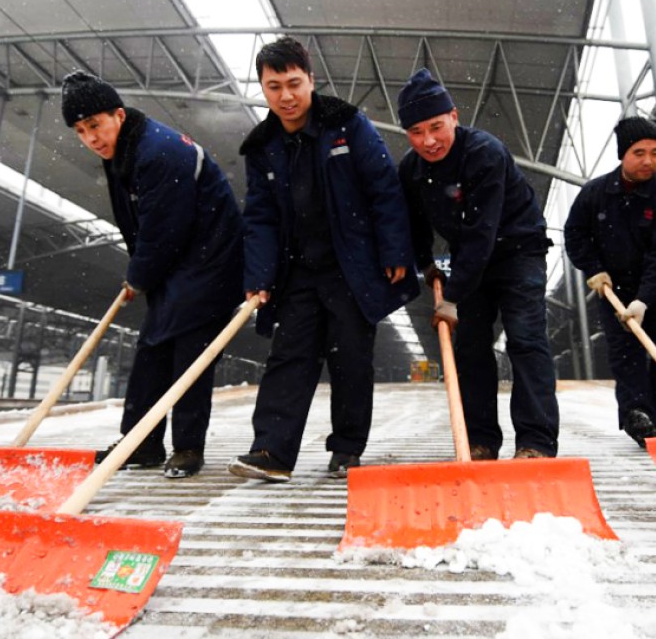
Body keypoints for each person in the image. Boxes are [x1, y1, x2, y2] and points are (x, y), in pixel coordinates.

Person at [228, 37, 419, 483]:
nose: (286, 96)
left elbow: (383, 189)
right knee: (288, 356)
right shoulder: (262, 146)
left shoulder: (346, 125)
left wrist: (393, 250)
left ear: (311, 80)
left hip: (351, 267)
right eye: (274, 86)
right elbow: (259, 218)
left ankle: (347, 448)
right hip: (297, 271)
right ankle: (272, 449)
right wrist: (258, 274)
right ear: (263, 88)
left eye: (294, 83)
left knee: (350, 358)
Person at [61, 70, 244, 478]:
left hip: (211, 260)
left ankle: (188, 447)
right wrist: (141, 272)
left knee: (190, 352)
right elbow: (137, 224)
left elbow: (165, 228)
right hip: (179, 260)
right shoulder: (120, 151)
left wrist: (139, 275)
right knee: (152, 351)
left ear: (118, 116)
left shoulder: (157, 152)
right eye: (80, 130)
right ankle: (141, 443)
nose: (90, 137)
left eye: (95, 125)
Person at [397, 68, 559, 460]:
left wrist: (450, 297)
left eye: (436, 126)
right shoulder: (411, 170)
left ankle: (536, 442)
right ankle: (481, 440)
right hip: (471, 257)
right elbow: (414, 223)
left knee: (524, 339)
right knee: (470, 347)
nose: (429, 140)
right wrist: (426, 266)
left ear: (454, 116)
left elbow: (482, 233)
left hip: (519, 250)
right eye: (417, 132)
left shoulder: (483, 153)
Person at [564, 117, 656, 447]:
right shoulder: (596, 194)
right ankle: (638, 416)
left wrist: (645, 299)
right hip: (613, 288)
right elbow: (575, 235)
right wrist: (593, 269)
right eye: (639, 152)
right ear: (623, 154)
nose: (649, 161)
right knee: (625, 354)